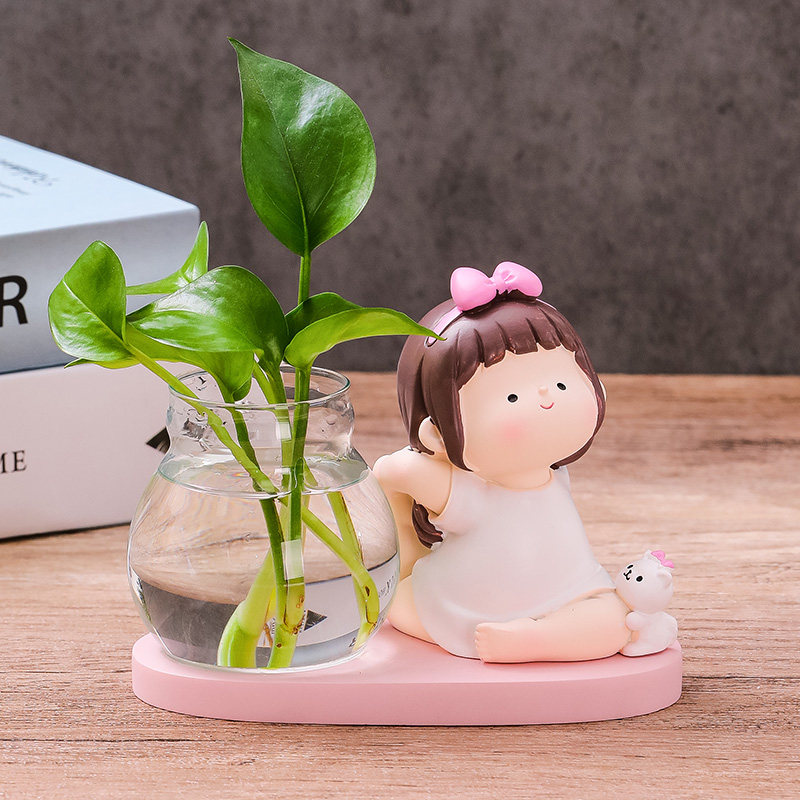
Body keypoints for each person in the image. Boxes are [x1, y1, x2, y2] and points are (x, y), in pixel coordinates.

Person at [374, 262, 631, 662]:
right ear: (437, 432)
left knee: (619, 621)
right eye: (511, 397)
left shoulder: (555, 477)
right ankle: (525, 637)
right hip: (469, 602)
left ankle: (536, 639)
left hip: (572, 589)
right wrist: (406, 549)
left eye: (563, 382)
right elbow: (392, 472)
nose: (548, 396)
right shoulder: (470, 493)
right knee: (402, 605)